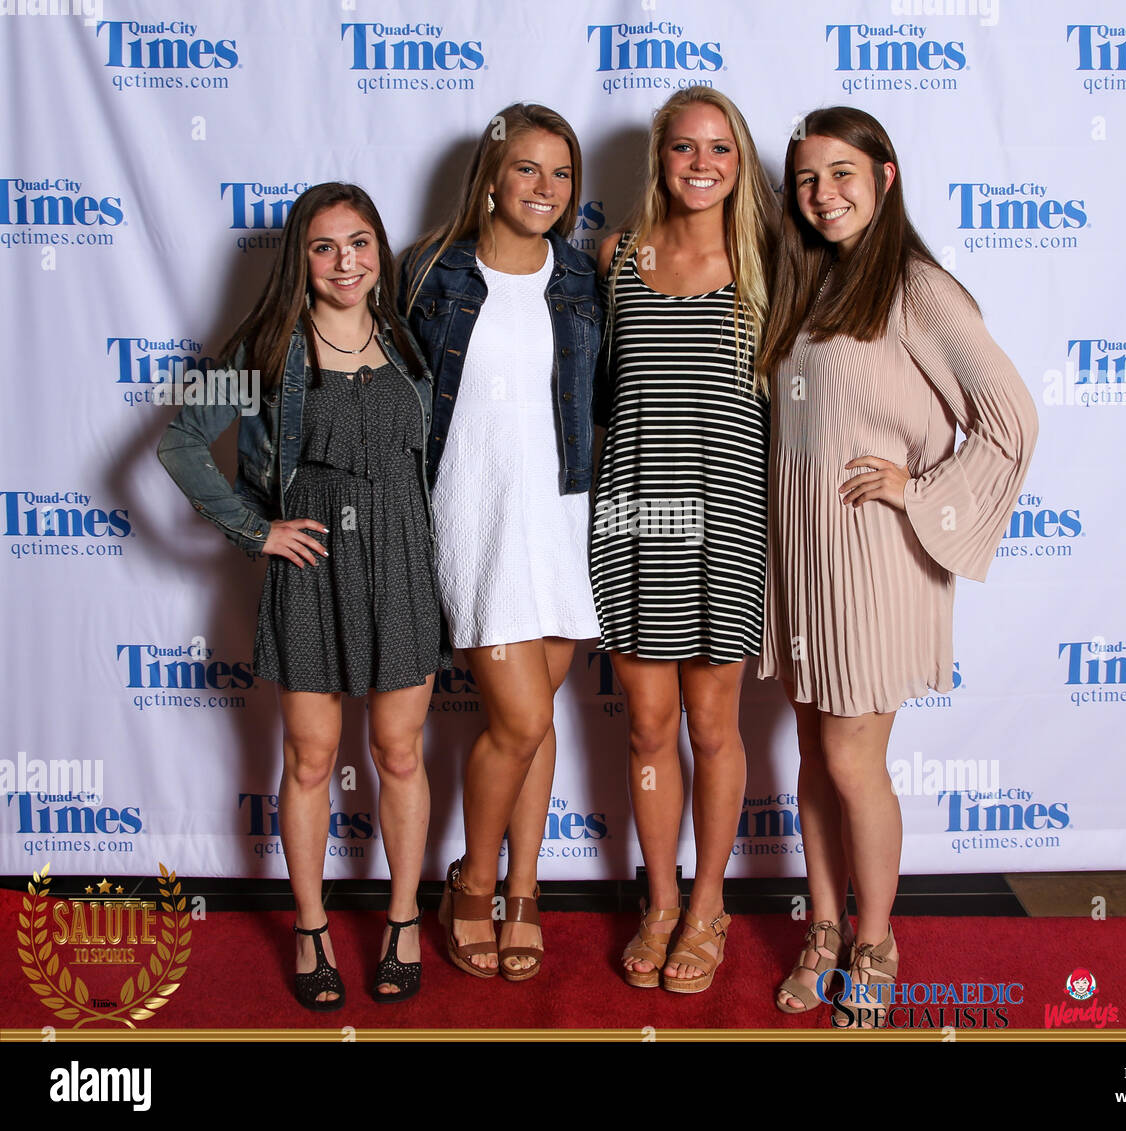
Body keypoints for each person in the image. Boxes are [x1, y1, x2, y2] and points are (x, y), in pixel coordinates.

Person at [757, 107, 1037, 1018]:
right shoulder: (806, 288)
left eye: (841, 173)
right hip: (800, 553)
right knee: (811, 754)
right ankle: (825, 928)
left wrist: (921, 490)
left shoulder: (918, 288)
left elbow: (1012, 418)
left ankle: (875, 943)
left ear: (884, 176)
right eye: (806, 179)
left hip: (873, 556)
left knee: (850, 761)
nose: (822, 194)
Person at [157, 182, 449, 1009]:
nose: (345, 261)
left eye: (359, 242)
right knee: (311, 758)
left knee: (398, 752)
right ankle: (312, 924)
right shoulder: (266, 346)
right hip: (311, 565)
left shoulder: (411, 340)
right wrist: (257, 530)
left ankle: (401, 919)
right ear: (302, 258)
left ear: (379, 251)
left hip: (400, 561)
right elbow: (180, 444)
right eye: (325, 247)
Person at [402, 103, 602, 981]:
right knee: (519, 718)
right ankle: (472, 885)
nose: (545, 189)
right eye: (528, 168)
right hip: (472, 512)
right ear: (490, 174)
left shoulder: (583, 280)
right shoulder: (427, 273)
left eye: (560, 174)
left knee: (533, 720)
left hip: (562, 515)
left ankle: (527, 889)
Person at [592, 88, 776, 993]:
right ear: (660, 156)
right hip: (631, 521)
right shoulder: (617, 255)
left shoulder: (768, 259)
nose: (701, 165)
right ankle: (659, 900)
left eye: (720, 150)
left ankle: (709, 904)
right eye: (684, 148)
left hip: (730, 525)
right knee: (648, 728)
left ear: (739, 163)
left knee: (713, 726)